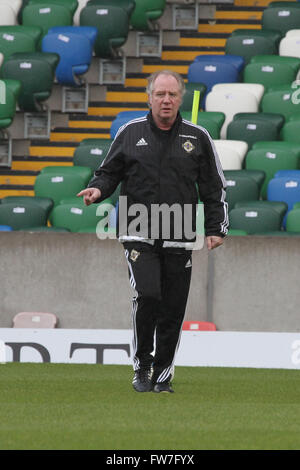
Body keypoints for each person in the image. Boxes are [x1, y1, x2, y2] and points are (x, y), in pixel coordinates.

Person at [77, 70, 228, 393]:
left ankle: (162, 376)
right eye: (160, 94)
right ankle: (142, 365)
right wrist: (96, 191)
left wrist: (216, 228)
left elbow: (214, 188)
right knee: (148, 294)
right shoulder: (129, 133)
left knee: (173, 309)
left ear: (180, 98)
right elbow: (108, 172)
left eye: (172, 94)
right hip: (137, 232)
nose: (166, 100)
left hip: (180, 233)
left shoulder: (198, 137)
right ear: (149, 97)